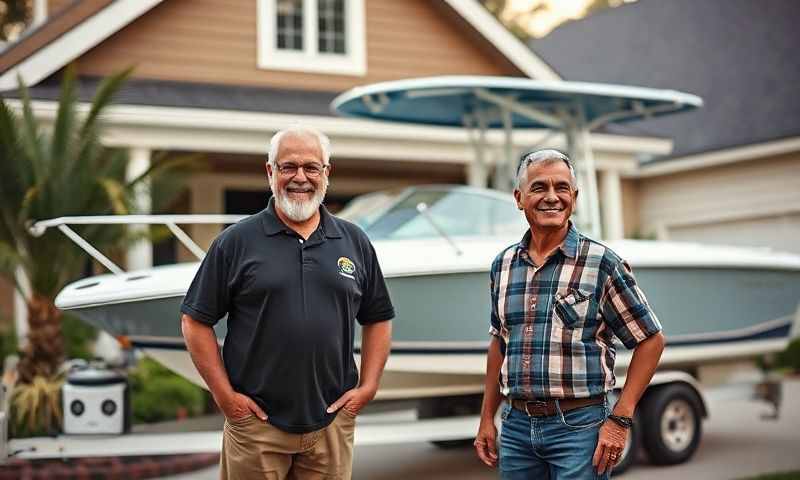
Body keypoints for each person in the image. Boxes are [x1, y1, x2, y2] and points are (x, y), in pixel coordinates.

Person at [180, 126, 395, 479]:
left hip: (330, 426)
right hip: (255, 428)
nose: (300, 177)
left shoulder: (354, 241)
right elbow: (194, 321)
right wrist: (226, 399)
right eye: (288, 167)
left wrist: (368, 386)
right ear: (270, 172)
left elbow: (379, 317)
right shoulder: (235, 242)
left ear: (327, 174)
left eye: (311, 167)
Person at [474, 149, 665, 479]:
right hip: (516, 426)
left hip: (580, 426)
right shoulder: (502, 265)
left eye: (561, 188)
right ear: (519, 198)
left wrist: (620, 418)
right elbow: (499, 344)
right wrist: (486, 418)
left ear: (574, 197)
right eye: (539, 188)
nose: (552, 197)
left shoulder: (602, 263)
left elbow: (651, 340)